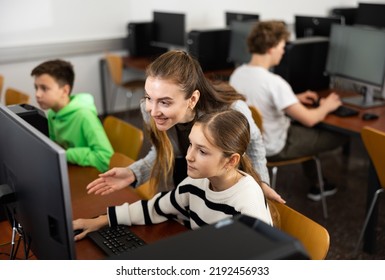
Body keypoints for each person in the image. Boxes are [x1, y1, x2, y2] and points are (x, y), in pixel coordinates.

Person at [86, 50, 285, 204]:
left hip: (227, 178)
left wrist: (261, 183)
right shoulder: (149, 111)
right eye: (148, 97)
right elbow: (163, 151)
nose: (152, 111)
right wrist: (134, 173)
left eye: (165, 102)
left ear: (192, 99)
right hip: (191, 170)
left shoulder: (231, 111)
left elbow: (255, 144)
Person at [73, 110, 273, 240]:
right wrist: (101, 220)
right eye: (191, 145)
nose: (188, 156)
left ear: (231, 161)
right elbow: (156, 208)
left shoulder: (248, 204)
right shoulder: (196, 183)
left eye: (202, 151)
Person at [229, 20, 347, 201]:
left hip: (248, 145)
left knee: (302, 128)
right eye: (282, 46)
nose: (283, 51)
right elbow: (309, 119)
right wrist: (327, 106)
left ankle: (318, 183)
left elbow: (259, 100)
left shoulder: (237, 75)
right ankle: (318, 185)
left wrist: (293, 98)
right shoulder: (274, 82)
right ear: (271, 47)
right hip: (276, 145)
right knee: (337, 135)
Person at [31, 59, 113, 172]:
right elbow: (55, 144)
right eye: (36, 88)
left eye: (44, 88)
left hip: (91, 175)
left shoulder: (84, 116)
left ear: (65, 91)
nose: (37, 94)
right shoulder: (52, 113)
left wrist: (67, 154)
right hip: (72, 168)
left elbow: (105, 158)